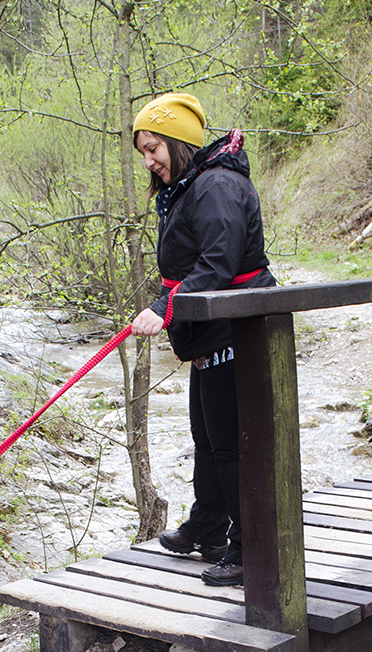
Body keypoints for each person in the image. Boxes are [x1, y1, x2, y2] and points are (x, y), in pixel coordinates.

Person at [129, 93, 276, 587]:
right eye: (143, 152)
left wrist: (164, 309)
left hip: (239, 328)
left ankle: (249, 546)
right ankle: (210, 526)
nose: (149, 161)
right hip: (212, 327)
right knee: (207, 437)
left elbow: (218, 265)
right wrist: (176, 313)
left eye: (154, 148)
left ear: (178, 142)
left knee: (232, 444)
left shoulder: (216, 185)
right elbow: (192, 266)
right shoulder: (191, 184)